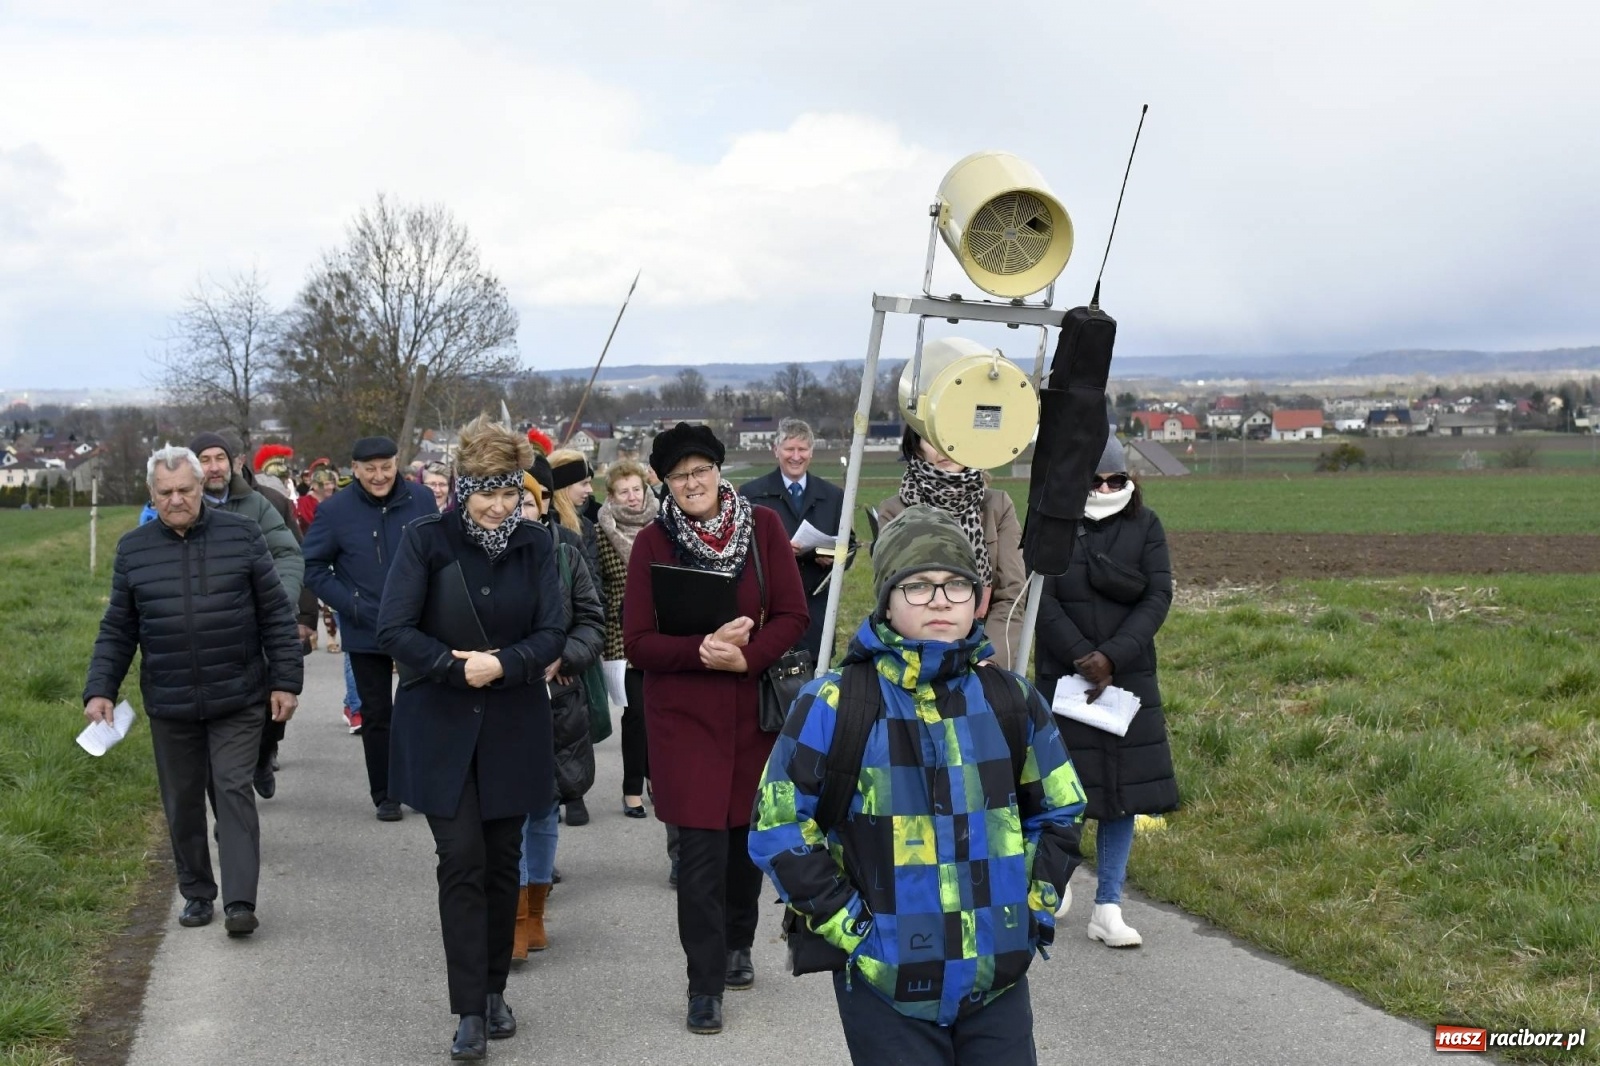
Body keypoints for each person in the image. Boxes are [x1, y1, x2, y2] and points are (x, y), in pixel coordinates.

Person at [749, 504, 1085, 1064]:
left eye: (956, 585)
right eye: (918, 586)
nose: (939, 601)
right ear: (886, 599)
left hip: (997, 979)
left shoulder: (1012, 700)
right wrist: (854, 931)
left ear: (977, 599)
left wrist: (1031, 908)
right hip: (887, 987)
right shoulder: (835, 702)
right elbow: (778, 824)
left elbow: (1062, 808)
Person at [377, 417, 566, 1060]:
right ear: (462, 487)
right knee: (461, 859)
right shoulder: (423, 540)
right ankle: (468, 1011)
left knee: (502, 860)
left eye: (508, 492)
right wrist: (456, 668)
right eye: (484, 491)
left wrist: (503, 665)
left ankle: (494, 991)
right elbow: (394, 629)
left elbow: (553, 632)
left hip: (513, 726)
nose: (495, 505)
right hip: (439, 728)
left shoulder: (538, 545)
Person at [622, 422, 808, 1036]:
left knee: (741, 852)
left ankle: (737, 943)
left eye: (701, 471)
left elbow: (792, 614)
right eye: (680, 476)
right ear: (664, 484)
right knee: (699, 858)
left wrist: (748, 658)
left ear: (719, 472)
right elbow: (638, 642)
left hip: (753, 719)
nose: (692, 483)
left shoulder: (764, 529)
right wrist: (701, 651)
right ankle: (703, 986)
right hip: (684, 723)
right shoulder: (652, 544)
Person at [82, 446, 302, 936]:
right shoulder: (133, 550)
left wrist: (285, 680)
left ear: (202, 488)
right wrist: (99, 689)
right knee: (181, 800)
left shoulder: (242, 534)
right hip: (171, 699)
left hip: (239, 694)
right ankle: (198, 893)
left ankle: (240, 902)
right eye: (166, 493)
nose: (176, 500)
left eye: (185, 489)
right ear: (152, 495)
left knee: (231, 790)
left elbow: (274, 615)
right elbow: (118, 628)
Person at [1033, 435, 1177, 949]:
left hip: (1127, 678)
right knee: (1064, 791)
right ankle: (1061, 877)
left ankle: (1109, 906)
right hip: (1065, 676)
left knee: (1122, 795)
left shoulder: (1147, 526)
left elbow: (1159, 594)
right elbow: (1040, 600)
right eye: (1096, 480)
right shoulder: (1054, 529)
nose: (1106, 488)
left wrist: (1113, 656)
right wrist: (1080, 655)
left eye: (1116, 479)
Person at [302, 435, 436, 821]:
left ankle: (424, 785)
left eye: (386, 467)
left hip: (420, 623)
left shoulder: (422, 499)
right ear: (355, 470)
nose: (379, 476)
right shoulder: (335, 511)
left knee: (426, 707)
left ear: (398, 464)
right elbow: (313, 568)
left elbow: (441, 549)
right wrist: (352, 604)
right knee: (378, 713)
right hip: (367, 625)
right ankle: (387, 792)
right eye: (370, 469)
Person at [509, 469, 604, 959]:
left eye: (528, 503)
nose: (521, 511)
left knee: (545, 806)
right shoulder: (488, 559)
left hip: (556, 698)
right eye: (512, 502)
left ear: (543, 506)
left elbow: (592, 619)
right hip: (504, 695)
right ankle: (515, 917)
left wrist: (565, 656)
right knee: (511, 805)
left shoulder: (566, 553)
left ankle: (537, 912)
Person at [190, 432, 306, 799]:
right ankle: (229, 801)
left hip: (257, 625)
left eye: (219, 458)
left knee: (267, 700)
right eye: (204, 459)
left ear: (234, 462)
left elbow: (288, 554)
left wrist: (280, 602)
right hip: (205, 631)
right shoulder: (179, 505)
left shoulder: (259, 504)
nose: (213, 467)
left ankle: (262, 754)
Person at [878, 428, 1027, 671]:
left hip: (984, 654)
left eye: (954, 437)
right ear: (916, 447)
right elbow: (894, 596)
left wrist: (988, 658)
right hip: (916, 658)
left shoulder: (997, 506)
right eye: (934, 438)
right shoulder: (895, 511)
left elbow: (1012, 593)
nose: (946, 448)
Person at [738, 418, 858, 665]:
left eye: (802, 449)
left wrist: (835, 558)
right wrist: (778, 550)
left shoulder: (833, 496)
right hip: (768, 610)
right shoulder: (751, 494)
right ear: (776, 450)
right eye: (789, 449)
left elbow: (850, 544)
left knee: (814, 684)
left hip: (815, 610)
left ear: (811, 452)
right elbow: (739, 547)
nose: (796, 456)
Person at [594, 459, 659, 818]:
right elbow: (598, 586)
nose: (633, 497)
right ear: (612, 496)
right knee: (636, 714)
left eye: (637, 489)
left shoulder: (665, 523)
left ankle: (657, 777)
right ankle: (631, 788)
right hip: (622, 634)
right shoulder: (602, 529)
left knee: (661, 710)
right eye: (624, 492)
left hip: (664, 628)